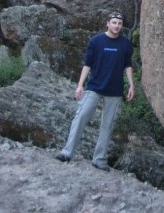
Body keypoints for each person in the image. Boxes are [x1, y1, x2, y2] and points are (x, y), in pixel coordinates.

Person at [55, 11, 135, 171]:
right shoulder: (96, 41)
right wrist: (80, 85)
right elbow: (87, 64)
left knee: (107, 125)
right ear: (108, 23)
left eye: (119, 24)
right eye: (114, 22)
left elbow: (127, 65)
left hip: (114, 90)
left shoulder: (125, 44)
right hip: (95, 87)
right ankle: (67, 152)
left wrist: (132, 85)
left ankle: (99, 159)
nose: (117, 26)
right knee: (81, 117)